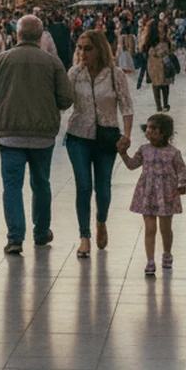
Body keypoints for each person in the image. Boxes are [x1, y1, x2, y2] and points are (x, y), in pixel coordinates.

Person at [0, 14, 73, 254]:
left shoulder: (2, 60)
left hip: (9, 133)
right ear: (41, 36)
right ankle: (41, 232)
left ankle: (15, 238)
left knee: (12, 185)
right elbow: (66, 98)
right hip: (43, 134)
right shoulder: (52, 62)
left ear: (17, 34)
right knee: (41, 183)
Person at [66, 29, 134, 258]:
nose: (83, 52)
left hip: (107, 136)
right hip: (78, 136)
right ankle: (84, 236)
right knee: (83, 186)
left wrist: (127, 135)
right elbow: (63, 101)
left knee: (103, 188)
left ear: (99, 49)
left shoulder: (115, 74)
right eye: (80, 48)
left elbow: (126, 105)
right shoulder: (75, 73)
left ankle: (101, 220)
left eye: (88, 48)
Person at [122, 113, 186, 277]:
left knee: (165, 228)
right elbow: (132, 165)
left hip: (167, 194)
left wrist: (182, 185)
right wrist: (123, 153)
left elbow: (181, 170)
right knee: (150, 228)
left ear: (164, 133)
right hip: (148, 193)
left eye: (154, 128)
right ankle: (150, 260)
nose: (149, 131)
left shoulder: (173, 153)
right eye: (148, 127)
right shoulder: (144, 150)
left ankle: (167, 253)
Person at [142, 19, 174, 112]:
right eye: (159, 26)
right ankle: (158, 105)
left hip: (165, 63)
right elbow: (146, 51)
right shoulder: (151, 39)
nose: (161, 28)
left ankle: (165, 103)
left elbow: (171, 50)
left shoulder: (167, 39)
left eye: (162, 26)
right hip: (154, 64)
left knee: (165, 83)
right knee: (156, 84)